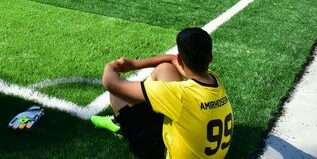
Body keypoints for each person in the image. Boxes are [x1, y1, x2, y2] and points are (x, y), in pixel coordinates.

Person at [92, 28, 233, 159]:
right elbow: (171, 60)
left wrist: (111, 66)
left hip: (163, 153)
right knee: (166, 69)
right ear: (211, 57)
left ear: (180, 59)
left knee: (117, 94)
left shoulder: (178, 94)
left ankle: (120, 124)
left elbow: (110, 83)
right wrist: (135, 64)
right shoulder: (215, 80)